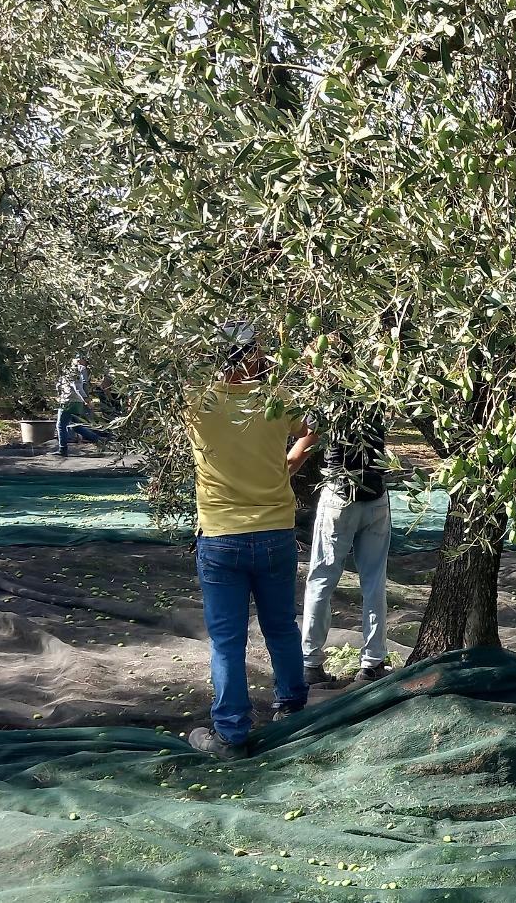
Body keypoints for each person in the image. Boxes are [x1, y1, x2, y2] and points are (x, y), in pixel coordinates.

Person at [184, 322, 310, 760]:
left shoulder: (196, 401)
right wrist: (289, 462)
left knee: (227, 640)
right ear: (257, 356)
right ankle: (293, 707)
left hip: (221, 538)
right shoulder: (277, 399)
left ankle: (231, 733)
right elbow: (313, 427)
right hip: (275, 532)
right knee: (280, 626)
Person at [290, 396, 392, 688]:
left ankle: (310, 662)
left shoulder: (325, 399)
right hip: (375, 497)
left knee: (321, 579)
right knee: (374, 582)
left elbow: (305, 440)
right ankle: (372, 663)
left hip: (339, 496)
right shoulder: (374, 393)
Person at [50, 359, 91, 457]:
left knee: (60, 426)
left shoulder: (73, 372)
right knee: (75, 426)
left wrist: (86, 400)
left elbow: (77, 388)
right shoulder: (71, 372)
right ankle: (98, 439)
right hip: (73, 402)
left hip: (69, 402)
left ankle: (62, 449)